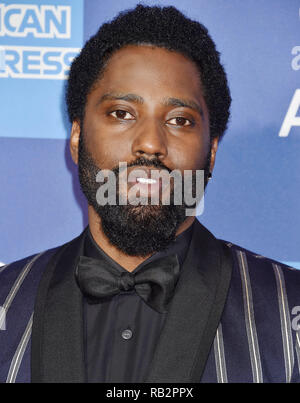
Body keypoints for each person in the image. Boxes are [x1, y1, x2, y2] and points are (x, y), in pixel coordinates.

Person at [0, 4, 299, 384]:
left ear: (211, 151)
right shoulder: (7, 299)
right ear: (76, 138)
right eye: (121, 113)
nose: (150, 144)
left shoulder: (288, 308)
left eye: (179, 120)